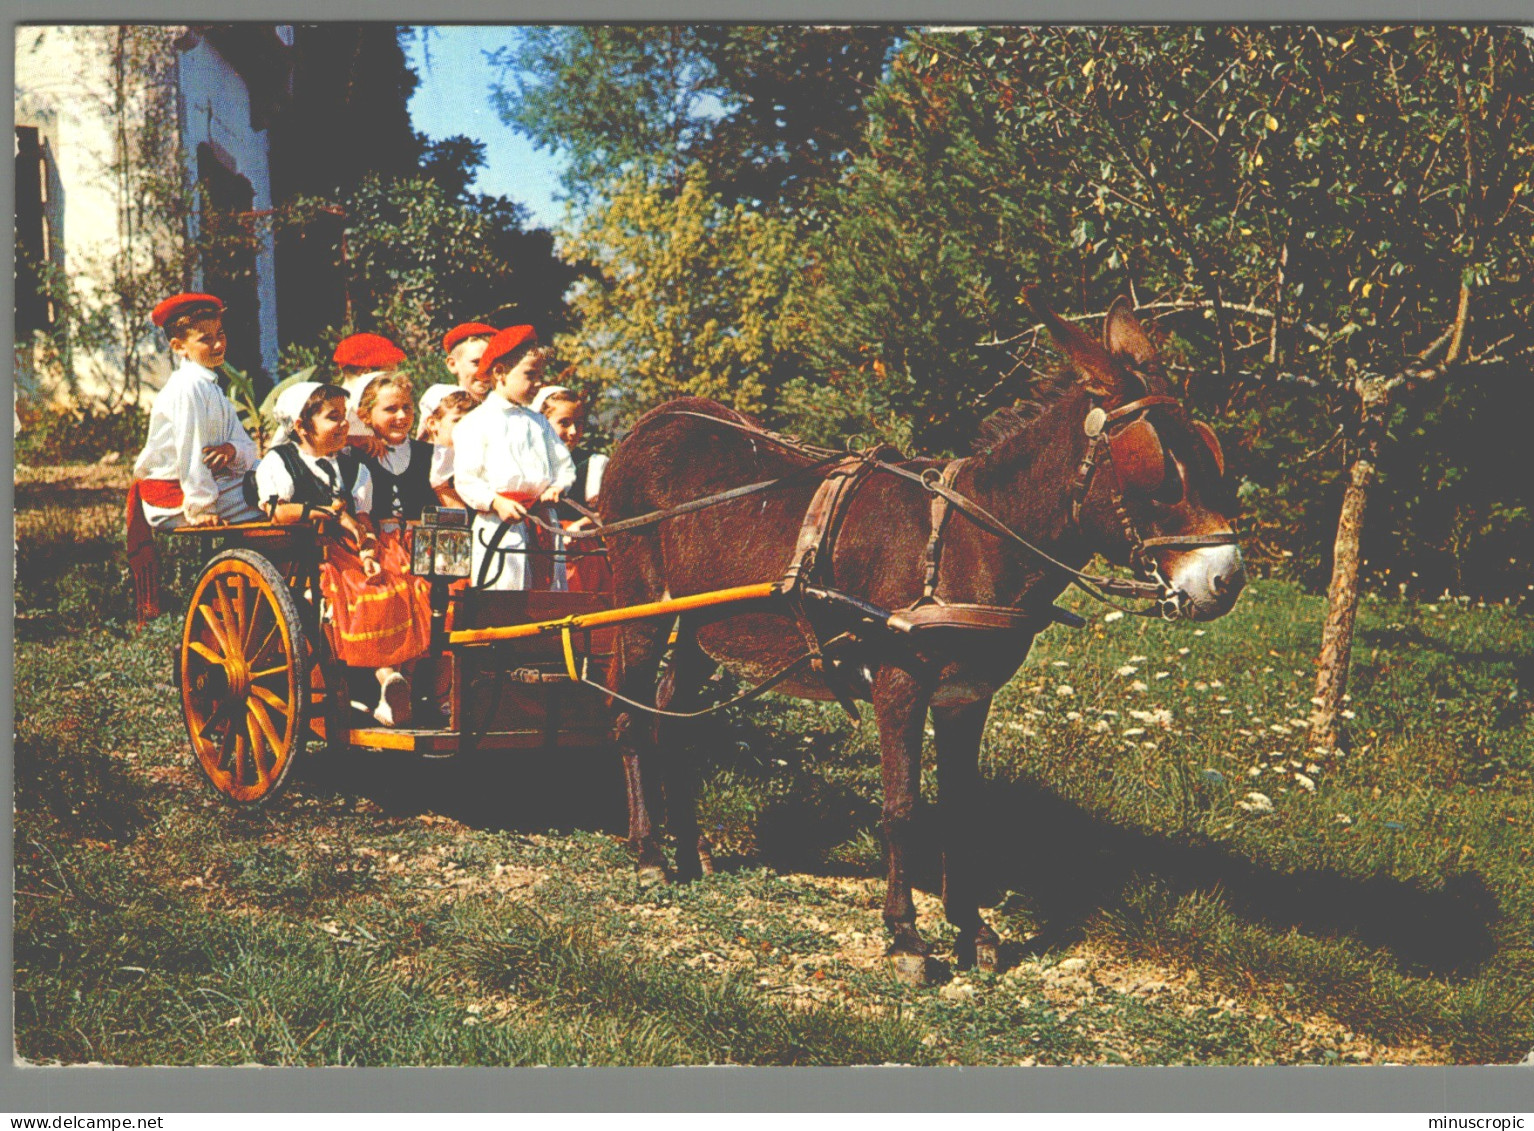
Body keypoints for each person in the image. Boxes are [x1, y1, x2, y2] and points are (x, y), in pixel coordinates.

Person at [254, 381, 431, 727]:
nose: (344, 426)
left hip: (350, 548)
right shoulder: (280, 462)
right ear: (301, 426)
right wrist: (328, 512)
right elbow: (277, 512)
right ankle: (383, 679)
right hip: (308, 553)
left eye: (344, 417)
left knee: (402, 581)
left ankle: (395, 685)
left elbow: (363, 518)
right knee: (356, 593)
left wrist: (367, 546)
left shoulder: (353, 467)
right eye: (332, 417)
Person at [127, 292, 261, 623]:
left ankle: (258, 591)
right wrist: (201, 508)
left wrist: (232, 451)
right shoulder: (186, 388)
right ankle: (248, 593)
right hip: (174, 495)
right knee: (269, 501)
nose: (218, 346)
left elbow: (248, 447)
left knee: (273, 487)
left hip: (206, 483)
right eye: (206, 339)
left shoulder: (213, 388)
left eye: (221, 335)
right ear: (179, 346)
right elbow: (190, 451)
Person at [452, 326, 575, 591]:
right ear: (499, 373)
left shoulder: (540, 422)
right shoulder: (475, 423)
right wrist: (495, 502)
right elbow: (466, 480)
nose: (539, 383)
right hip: (500, 524)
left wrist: (557, 487)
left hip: (543, 522)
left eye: (541, 375)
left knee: (549, 595)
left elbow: (564, 465)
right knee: (506, 592)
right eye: (531, 375)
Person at [532, 385, 611, 593]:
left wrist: (579, 525)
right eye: (564, 423)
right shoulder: (529, 465)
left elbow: (605, 513)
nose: (574, 432)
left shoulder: (591, 464)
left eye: (579, 424)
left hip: (579, 555)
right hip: (537, 547)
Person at [332, 331, 406, 459]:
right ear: (365, 372)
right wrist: (352, 440)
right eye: (390, 370)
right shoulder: (342, 407)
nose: (395, 376)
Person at [415, 322, 498, 436]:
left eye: (491, 362)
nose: (484, 370)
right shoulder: (440, 397)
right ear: (453, 364)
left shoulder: (499, 403)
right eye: (476, 363)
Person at [419, 388, 476, 510]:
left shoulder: (472, 456)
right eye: (457, 420)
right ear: (433, 423)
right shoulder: (428, 461)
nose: (466, 426)